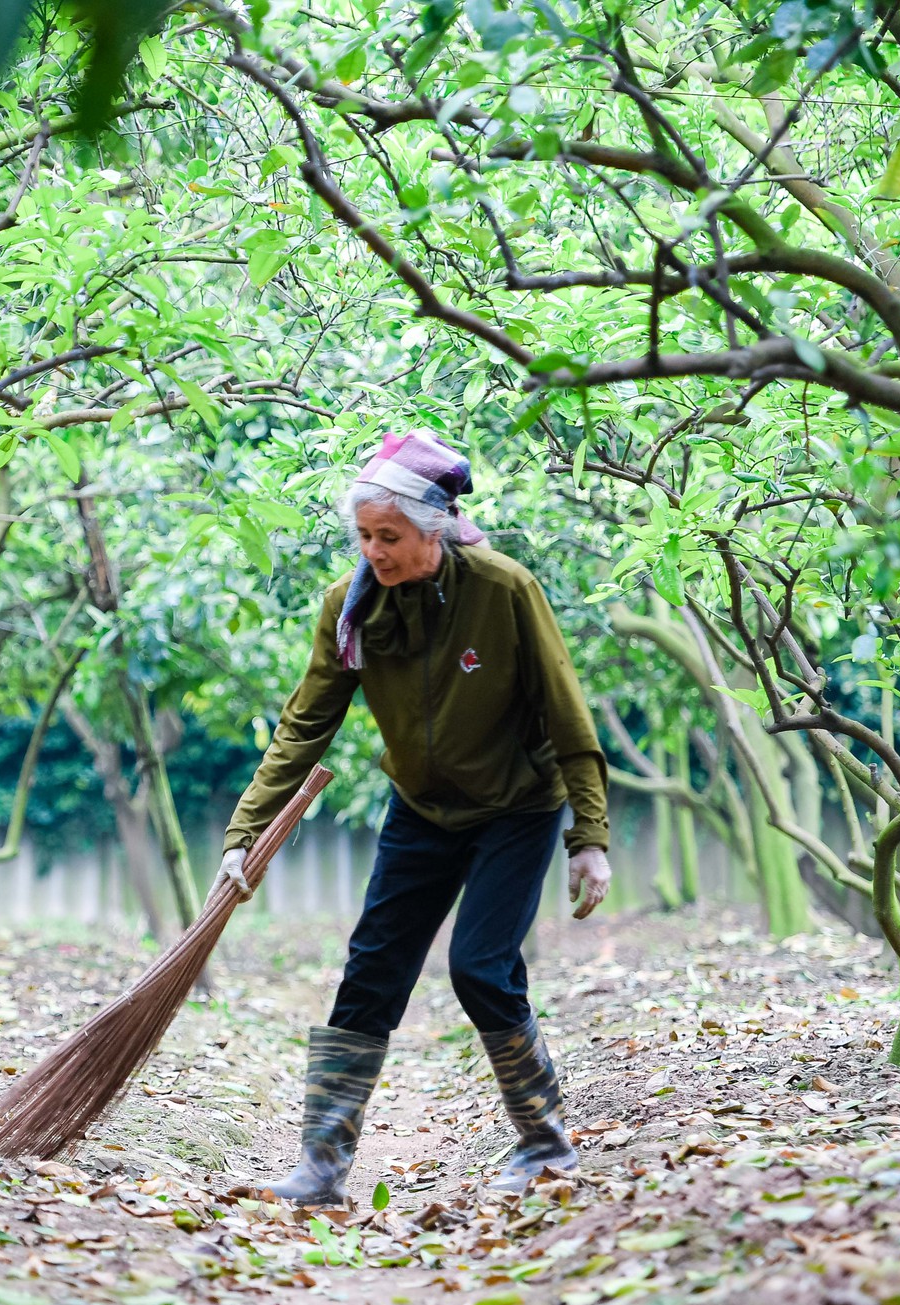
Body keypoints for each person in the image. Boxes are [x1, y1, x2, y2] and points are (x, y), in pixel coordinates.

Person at [217, 428, 612, 1205]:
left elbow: (568, 716)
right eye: (364, 536)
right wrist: (244, 835)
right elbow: (304, 726)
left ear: (433, 529)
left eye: (389, 536)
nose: (374, 552)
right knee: (371, 968)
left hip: (516, 807)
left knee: (479, 966)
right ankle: (321, 1168)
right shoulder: (351, 610)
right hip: (422, 810)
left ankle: (544, 1142)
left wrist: (589, 837)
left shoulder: (503, 589)